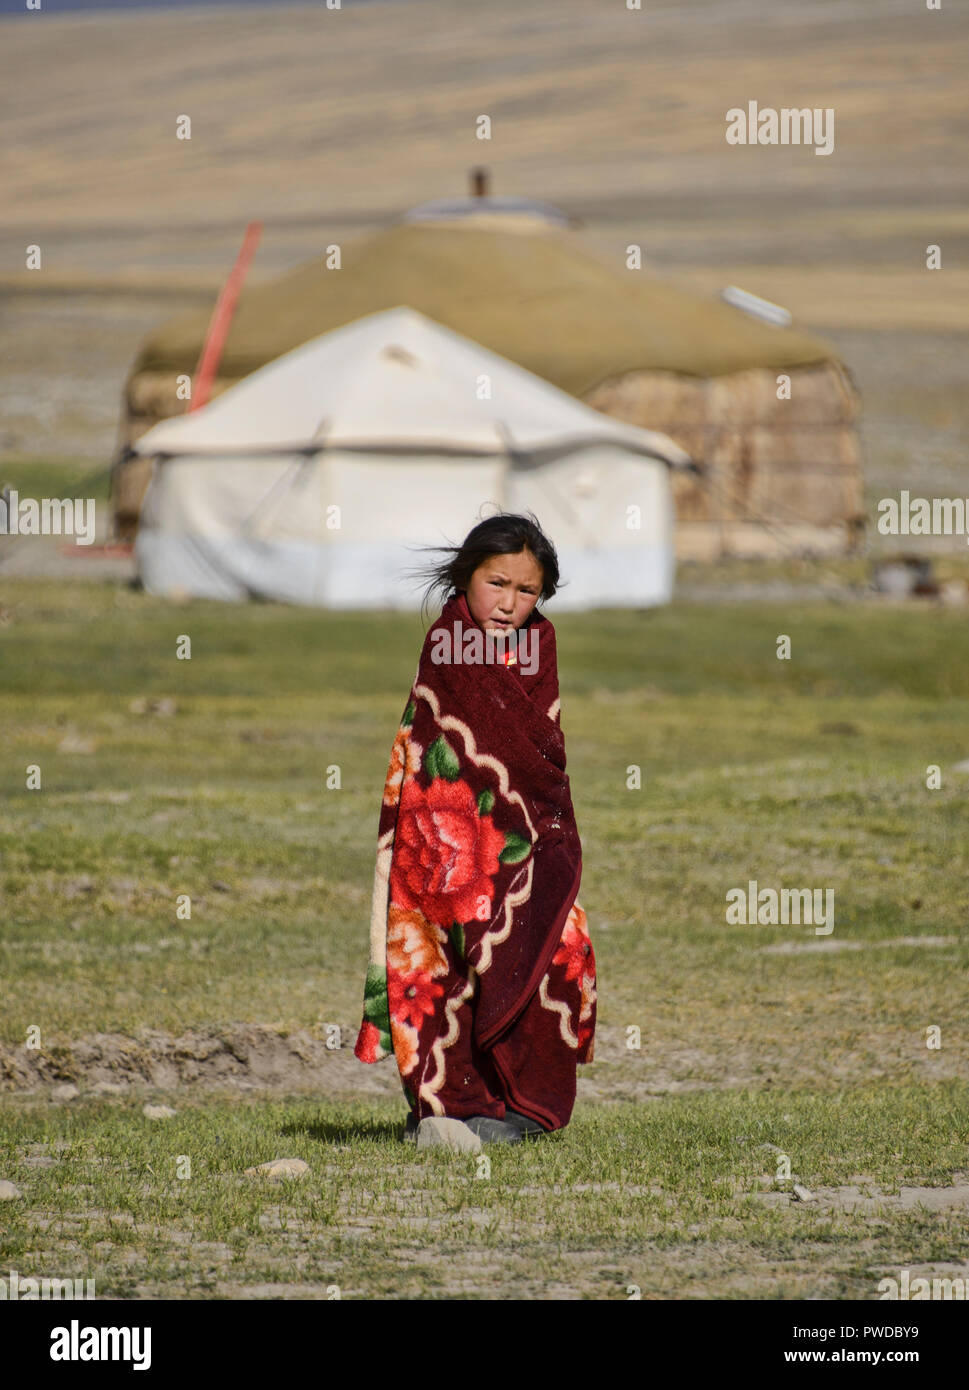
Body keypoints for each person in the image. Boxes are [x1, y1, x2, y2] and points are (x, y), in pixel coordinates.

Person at [353, 512, 597, 1145]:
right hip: (443, 834)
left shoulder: (539, 645)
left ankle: (523, 1104)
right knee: (444, 962)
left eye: (526, 590)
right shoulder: (448, 642)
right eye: (497, 583)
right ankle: (453, 1101)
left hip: (526, 835)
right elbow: (437, 742)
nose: (509, 603)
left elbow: (542, 750)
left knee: (553, 952)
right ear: (466, 577)